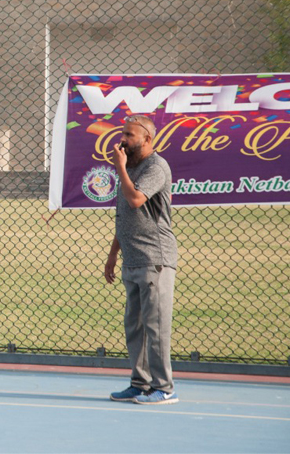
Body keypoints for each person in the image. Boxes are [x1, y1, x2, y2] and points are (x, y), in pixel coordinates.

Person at [104, 114, 179, 406]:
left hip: (154, 258)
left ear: (147, 139)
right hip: (132, 259)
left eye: (129, 135)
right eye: (123, 134)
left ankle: (164, 387)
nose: (122, 140)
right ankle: (140, 383)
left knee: (156, 325)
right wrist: (113, 255)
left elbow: (136, 199)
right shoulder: (131, 168)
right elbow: (126, 217)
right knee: (134, 324)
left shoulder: (156, 167)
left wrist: (120, 168)